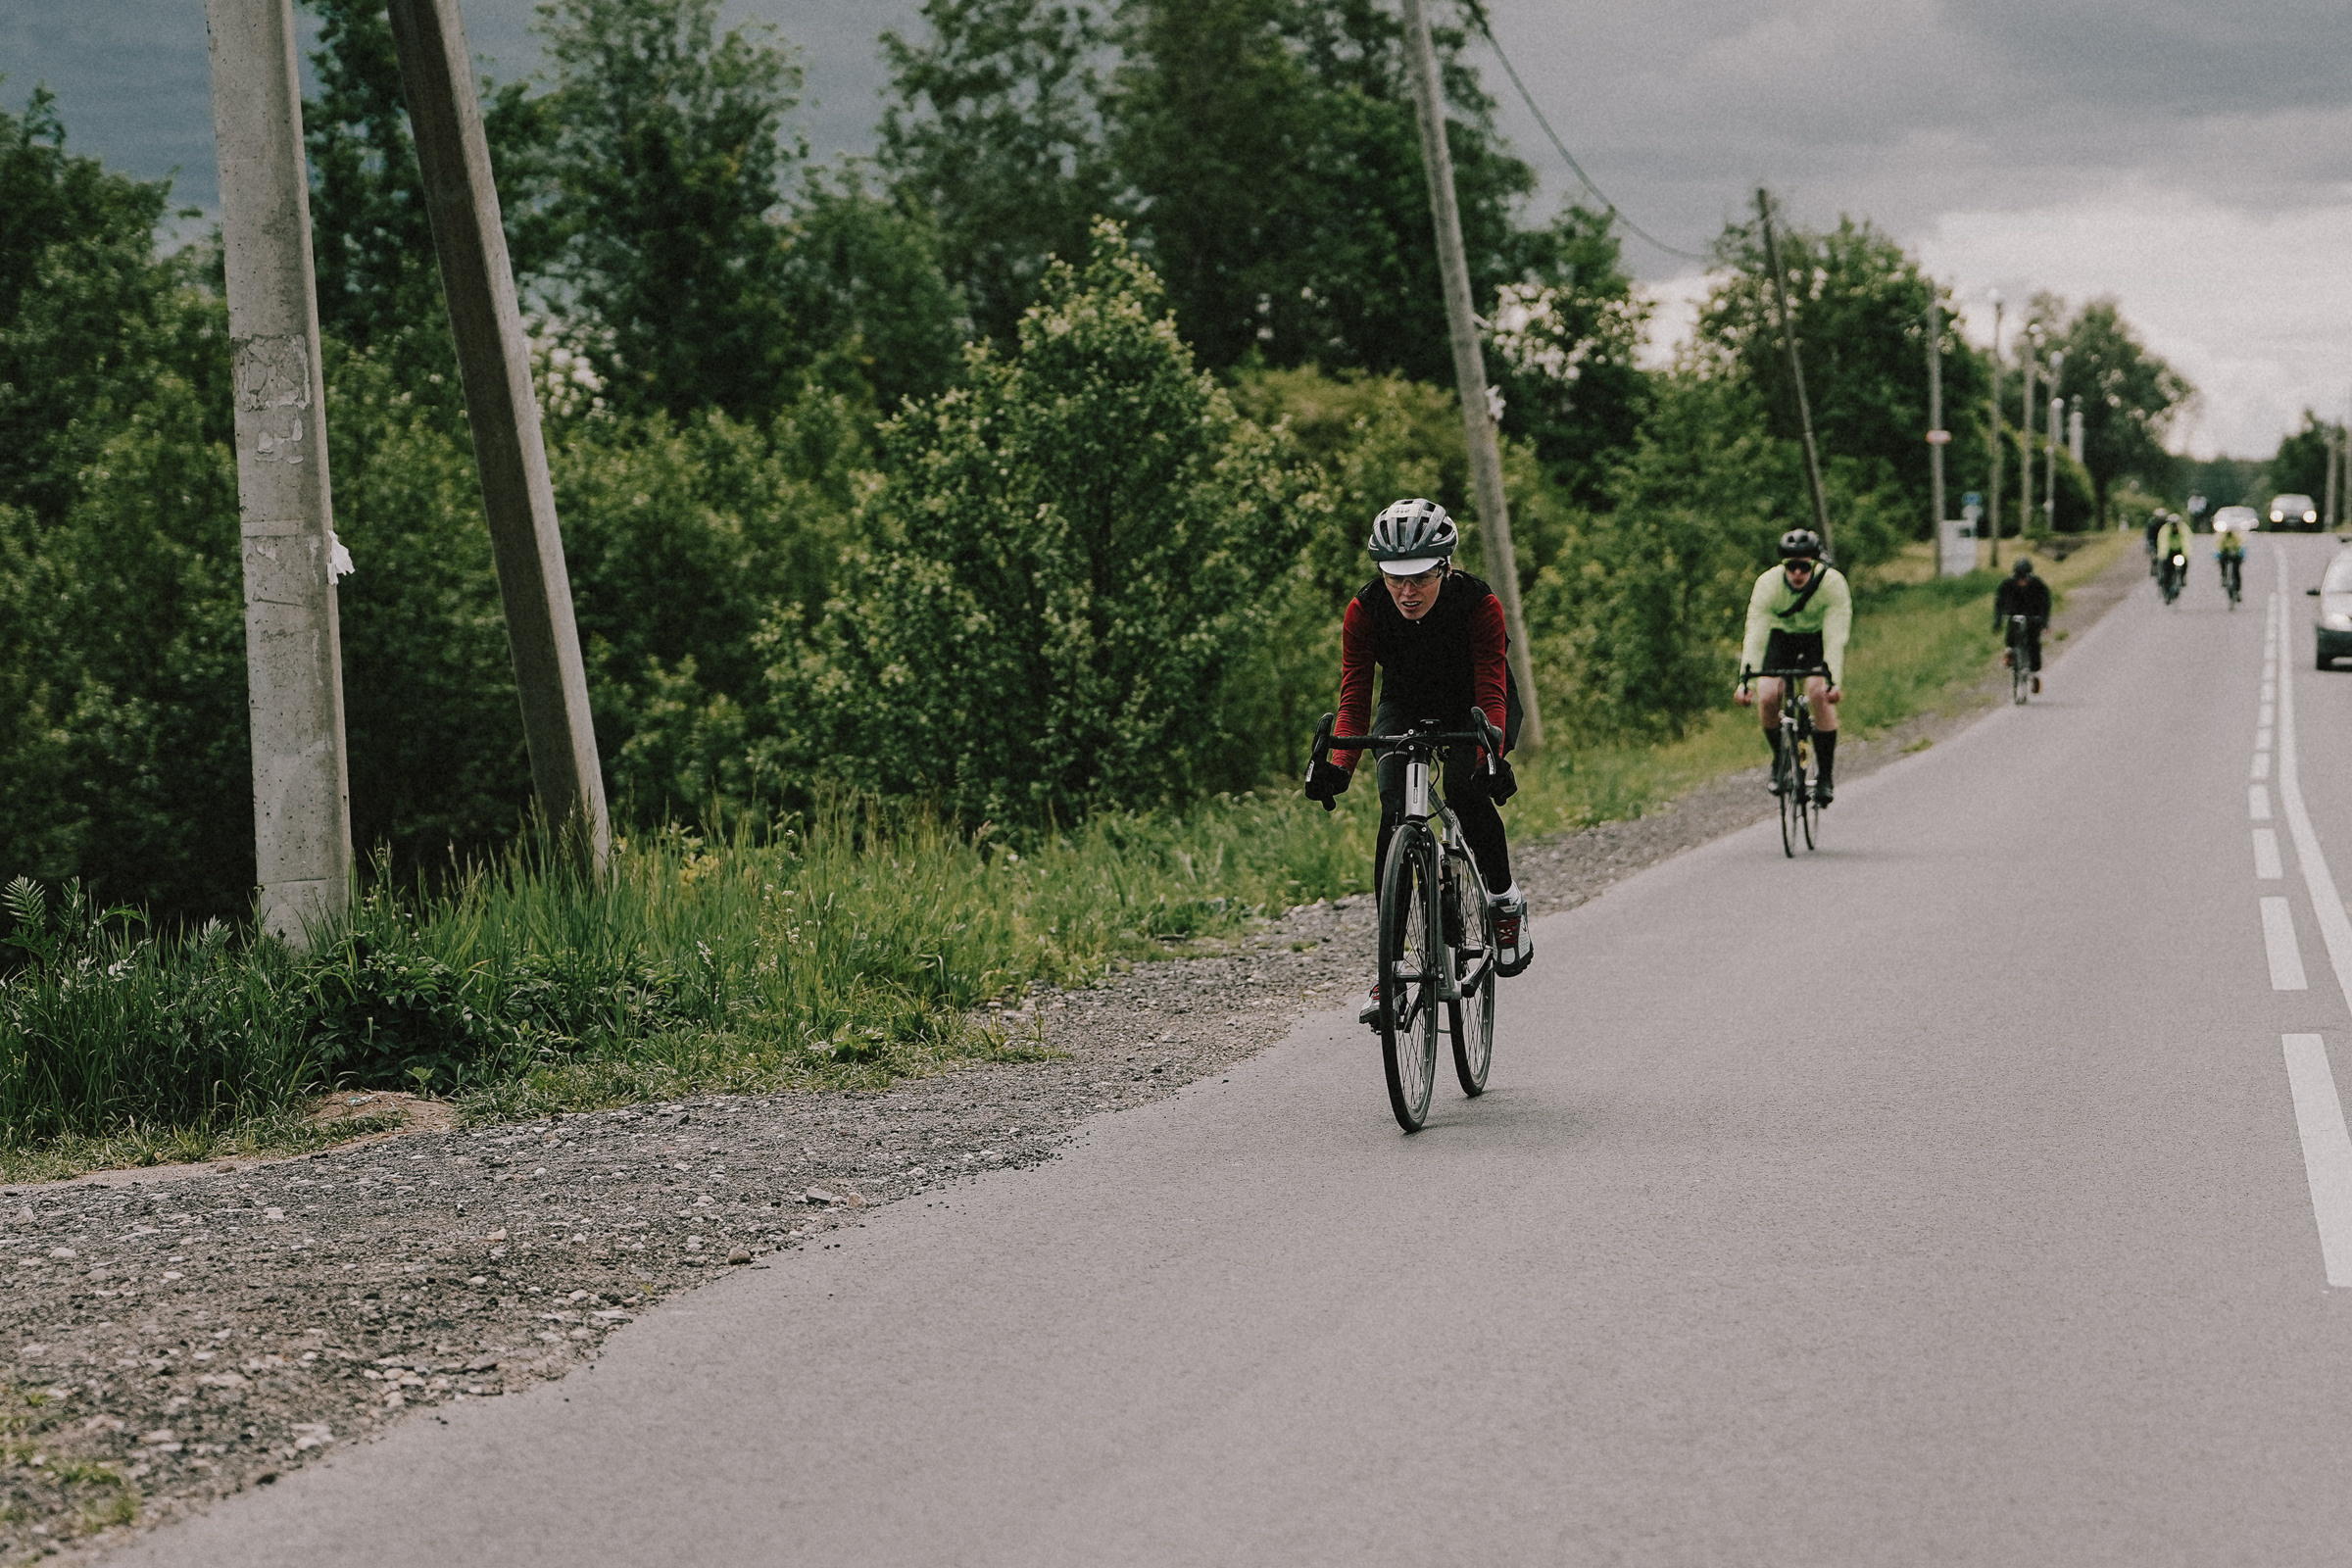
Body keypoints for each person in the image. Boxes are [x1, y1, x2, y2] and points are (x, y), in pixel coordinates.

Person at [1301, 498, 1532, 1026]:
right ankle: (1391, 972)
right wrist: (1338, 764)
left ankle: (1503, 901)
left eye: (1421, 578)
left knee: (1465, 790)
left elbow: (1492, 687)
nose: (1406, 592)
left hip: (1476, 702)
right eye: (1394, 578)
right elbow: (1356, 694)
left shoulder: (1478, 604)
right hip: (1403, 704)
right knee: (1393, 809)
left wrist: (1490, 753)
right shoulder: (1365, 610)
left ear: (1444, 568)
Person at [1736, 528, 1851, 806]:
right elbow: (1756, 632)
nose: (1797, 573)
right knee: (1768, 696)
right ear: (1783, 566)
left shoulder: (1832, 584)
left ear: (1815, 564)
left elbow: (1835, 636)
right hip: (1780, 637)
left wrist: (1833, 680)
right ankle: (1780, 759)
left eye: (1804, 566)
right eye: (1791, 566)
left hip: (1816, 638)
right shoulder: (1768, 584)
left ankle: (1824, 776)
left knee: (1818, 693)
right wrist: (1745, 682)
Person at [1994, 557, 2052, 694]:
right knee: (2012, 628)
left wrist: (2044, 621)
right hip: (2015, 613)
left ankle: (2035, 675)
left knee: (2034, 643)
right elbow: (1999, 601)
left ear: (2029, 576)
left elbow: (2045, 602)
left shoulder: (2037, 584)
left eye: (2024, 578)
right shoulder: (2007, 583)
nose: (2022, 582)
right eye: (2019, 578)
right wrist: (1997, 620)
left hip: (2033, 615)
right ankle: (2009, 651)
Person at [2156, 512, 2193, 598]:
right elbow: (2163, 542)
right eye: (2172, 525)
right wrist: (2163, 555)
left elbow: (2186, 541)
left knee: (2185, 563)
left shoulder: (2184, 528)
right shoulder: (2165, 529)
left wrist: (2186, 554)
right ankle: (2164, 582)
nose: (2174, 527)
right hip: (2169, 552)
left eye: (2176, 524)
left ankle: (2183, 577)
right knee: (2165, 568)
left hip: (2179, 551)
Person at [2217, 521, 2246, 601]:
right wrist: (2218, 555)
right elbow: (2218, 546)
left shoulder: (2237, 536)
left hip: (2235, 555)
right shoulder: (2223, 537)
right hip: (2226, 554)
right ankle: (2224, 577)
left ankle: (2237, 591)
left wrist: (2241, 555)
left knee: (2236, 571)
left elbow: (2241, 546)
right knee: (2222, 562)